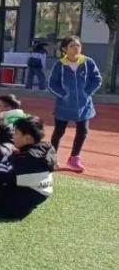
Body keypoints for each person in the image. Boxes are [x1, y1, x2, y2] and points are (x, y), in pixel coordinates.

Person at [48, 35, 102, 172]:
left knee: (83, 132)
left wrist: (87, 93)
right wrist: (63, 95)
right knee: (59, 132)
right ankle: (52, 158)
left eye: (78, 45)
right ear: (64, 49)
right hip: (64, 106)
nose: (76, 48)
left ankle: (74, 158)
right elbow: (52, 84)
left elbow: (97, 79)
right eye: (72, 46)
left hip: (84, 106)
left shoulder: (88, 62)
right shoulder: (60, 65)